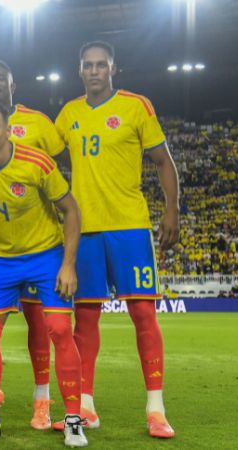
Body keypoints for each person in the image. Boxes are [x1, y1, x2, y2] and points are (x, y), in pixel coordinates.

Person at [53, 41, 179, 438]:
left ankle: (156, 409)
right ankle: (85, 406)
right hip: (85, 230)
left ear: (113, 68)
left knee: (143, 314)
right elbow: (51, 159)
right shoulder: (68, 114)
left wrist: (172, 210)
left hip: (129, 226)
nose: (94, 71)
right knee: (85, 319)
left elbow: (163, 160)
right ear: (79, 70)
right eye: (87, 65)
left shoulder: (136, 106)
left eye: (100, 65)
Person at [0, 101, 87, 447]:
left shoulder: (36, 162)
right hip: (2, 258)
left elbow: (71, 209)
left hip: (46, 255)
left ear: (8, 130)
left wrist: (68, 264)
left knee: (60, 329)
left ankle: (73, 419)